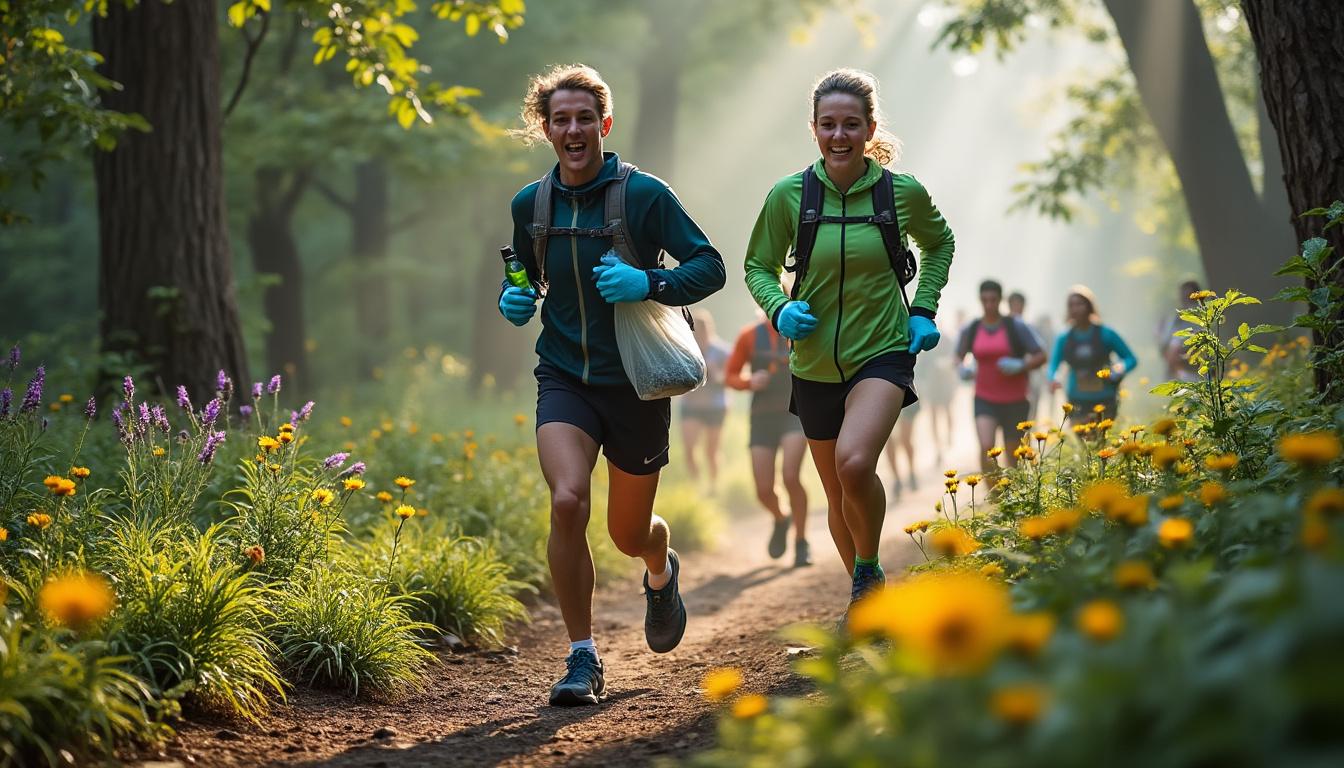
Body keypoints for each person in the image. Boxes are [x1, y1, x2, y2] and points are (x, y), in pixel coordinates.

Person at [499, 64, 726, 706]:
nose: (573, 130)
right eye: (559, 119)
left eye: (583, 118)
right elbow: (525, 272)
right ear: (545, 128)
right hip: (564, 375)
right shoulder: (530, 205)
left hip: (637, 382)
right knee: (567, 501)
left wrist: (648, 284)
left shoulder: (645, 196)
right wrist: (515, 298)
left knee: (629, 534)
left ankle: (661, 568)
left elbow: (710, 267)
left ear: (605, 123)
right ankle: (582, 657)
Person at [743, 68, 955, 613]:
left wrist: (924, 309)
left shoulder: (899, 192)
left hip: (882, 351)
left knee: (854, 464)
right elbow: (758, 266)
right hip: (811, 363)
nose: (840, 136)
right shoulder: (789, 196)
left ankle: (867, 570)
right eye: (829, 125)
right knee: (837, 494)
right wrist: (779, 306)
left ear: (870, 129)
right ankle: (867, 604)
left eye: (851, 125)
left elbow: (940, 243)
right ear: (813, 128)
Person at [724, 308, 812, 567]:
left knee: (790, 476)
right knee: (763, 490)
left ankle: (802, 542)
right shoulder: (749, 335)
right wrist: (748, 381)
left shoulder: (801, 331)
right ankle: (781, 518)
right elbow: (730, 375)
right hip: (761, 417)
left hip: (794, 413)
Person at [954, 280, 1046, 471]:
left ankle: (1013, 494)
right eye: (985, 300)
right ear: (980, 300)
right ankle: (993, 496)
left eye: (993, 300)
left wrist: (1022, 364)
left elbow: (1042, 355)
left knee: (1014, 455)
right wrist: (962, 368)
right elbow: (958, 356)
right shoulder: (972, 328)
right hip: (984, 398)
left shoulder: (1016, 326)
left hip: (1015, 400)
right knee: (987, 447)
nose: (989, 305)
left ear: (1000, 300)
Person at [1048, 285, 1138, 423]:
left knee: (1100, 442)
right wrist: (1054, 378)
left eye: (1079, 304)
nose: (1075, 309)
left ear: (1089, 306)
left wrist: (1120, 368)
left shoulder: (1107, 334)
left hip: (1105, 398)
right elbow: (1053, 365)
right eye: (1071, 305)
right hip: (1076, 399)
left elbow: (1130, 358)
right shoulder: (1063, 338)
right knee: (1084, 442)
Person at [680, 309, 730, 493]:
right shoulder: (685, 349)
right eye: (696, 329)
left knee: (711, 451)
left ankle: (714, 487)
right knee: (689, 449)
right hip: (691, 405)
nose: (700, 332)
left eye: (704, 328)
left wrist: (716, 373)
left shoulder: (722, 351)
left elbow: (732, 377)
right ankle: (696, 486)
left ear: (710, 328)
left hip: (715, 406)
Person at [1008, 291, 1047, 422]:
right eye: (1013, 304)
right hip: (1008, 377)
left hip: (1029, 376)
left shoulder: (1029, 327)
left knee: (1029, 411)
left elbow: (1040, 352)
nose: (1016, 307)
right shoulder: (1003, 327)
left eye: (1018, 304)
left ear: (1024, 306)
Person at [1159, 279, 1202, 383]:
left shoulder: (1201, 315)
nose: (1184, 299)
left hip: (1194, 368)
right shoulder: (1175, 316)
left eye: (1188, 296)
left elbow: (1199, 337)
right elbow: (1165, 342)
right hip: (1175, 370)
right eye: (1182, 295)